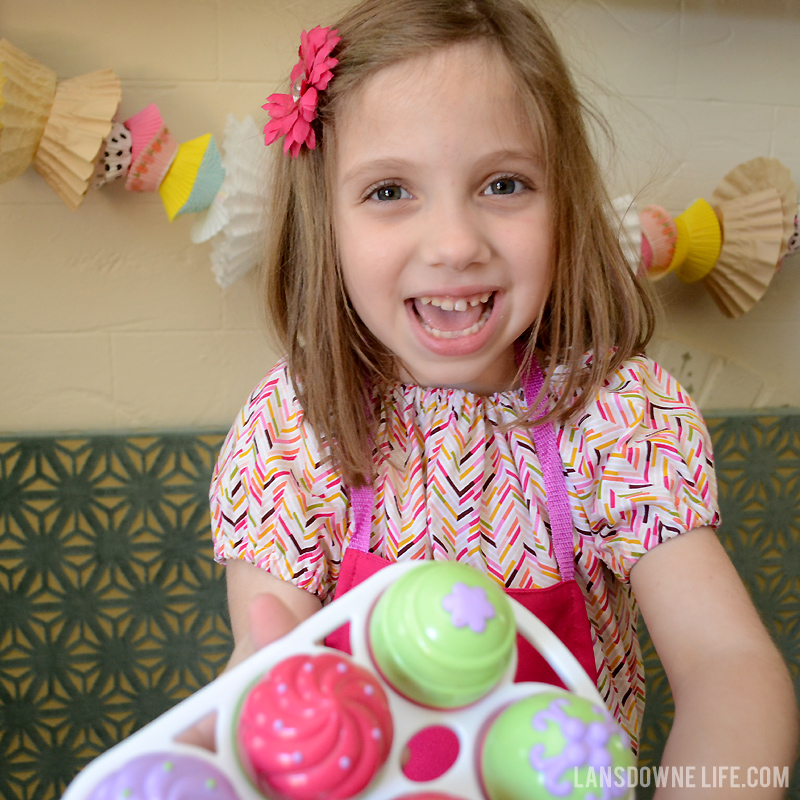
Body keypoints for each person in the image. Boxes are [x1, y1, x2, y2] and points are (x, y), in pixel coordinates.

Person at [208, 0, 798, 792]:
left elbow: (727, 663)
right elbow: (265, 670)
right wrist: (256, 680)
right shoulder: (297, 420)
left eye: (504, 183)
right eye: (389, 191)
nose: (456, 243)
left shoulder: (613, 412)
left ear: (565, 202)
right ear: (326, 225)